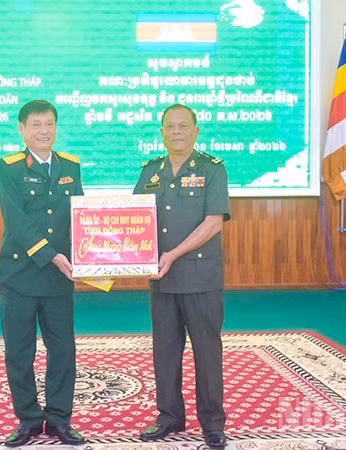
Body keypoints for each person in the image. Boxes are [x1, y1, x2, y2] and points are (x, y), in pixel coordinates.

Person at [132, 104, 230, 450]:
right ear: (161, 133)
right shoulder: (150, 171)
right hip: (162, 279)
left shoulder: (212, 169)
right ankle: (169, 415)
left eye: (183, 126)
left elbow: (213, 223)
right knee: (165, 352)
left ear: (195, 131)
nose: (176, 131)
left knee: (207, 353)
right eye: (170, 127)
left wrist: (172, 254)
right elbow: (134, 220)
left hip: (200, 278)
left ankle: (212, 423)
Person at [0, 99, 85, 447]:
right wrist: (52, 256)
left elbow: (80, 215)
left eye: (49, 124)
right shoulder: (9, 168)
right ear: (22, 129)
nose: (44, 131)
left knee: (62, 351)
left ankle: (60, 419)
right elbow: (17, 221)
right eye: (36, 125)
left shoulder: (70, 166)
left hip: (58, 279)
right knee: (19, 353)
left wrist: (95, 253)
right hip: (19, 275)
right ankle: (29, 420)